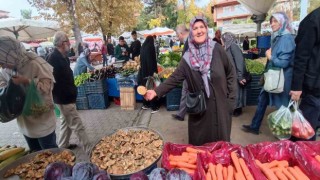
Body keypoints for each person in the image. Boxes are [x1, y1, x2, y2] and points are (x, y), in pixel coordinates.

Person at [144, 16, 237, 146]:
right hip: (200, 109)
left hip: (221, 108)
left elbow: (231, 73)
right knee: (201, 148)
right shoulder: (187, 58)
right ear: (191, 32)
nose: (199, 31)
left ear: (206, 29)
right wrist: (156, 92)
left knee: (221, 147)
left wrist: (231, 101)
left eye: (201, 27)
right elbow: (175, 78)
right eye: (195, 28)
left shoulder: (217, 49)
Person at [0, 36, 58, 152]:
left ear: (11, 55)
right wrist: (5, 87)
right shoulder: (6, 69)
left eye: (2, 62)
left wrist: (26, 81)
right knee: (36, 156)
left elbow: (48, 86)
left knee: (51, 153)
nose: (2, 65)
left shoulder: (34, 64)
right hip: (24, 123)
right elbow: (2, 82)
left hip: (42, 120)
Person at [242, 12, 295, 135]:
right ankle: (255, 126)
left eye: (275, 21)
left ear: (283, 22)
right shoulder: (277, 37)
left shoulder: (286, 38)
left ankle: (285, 134)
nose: (272, 24)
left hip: (282, 78)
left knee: (282, 105)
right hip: (272, 76)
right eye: (271, 21)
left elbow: (283, 63)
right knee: (262, 99)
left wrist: (270, 57)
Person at [47, 31, 91, 154]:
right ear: (62, 43)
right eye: (68, 41)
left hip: (66, 97)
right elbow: (50, 80)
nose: (70, 43)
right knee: (77, 125)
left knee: (65, 123)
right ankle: (90, 149)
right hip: (63, 98)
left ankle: (62, 146)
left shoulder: (63, 56)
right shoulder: (53, 58)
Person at [290, 7, 320, 141]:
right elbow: (301, 56)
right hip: (313, 87)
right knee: (304, 132)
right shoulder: (313, 20)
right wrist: (297, 87)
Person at [222, 32, 247, 117]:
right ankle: (234, 108)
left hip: (236, 74)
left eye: (223, 38)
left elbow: (239, 62)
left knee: (238, 92)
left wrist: (240, 76)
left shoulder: (233, 46)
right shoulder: (227, 47)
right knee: (233, 91)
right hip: (231, 74)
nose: (222, 40)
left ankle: (238, 109)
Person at [171, 24, 190, 121]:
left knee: (188, 92)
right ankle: (181, 114)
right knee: (185, 91)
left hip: (192, 74)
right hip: (188, 73)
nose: (178, 38)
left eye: (178, 35)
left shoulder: (190, 41)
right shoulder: (189, 40)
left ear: (181, 33)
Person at [137, 36, 160, 113]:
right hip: (150, 72)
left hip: (143, 72)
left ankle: (145, 104)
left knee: (145, 88)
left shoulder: (143, 47)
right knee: (151, 89)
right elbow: (151, 61)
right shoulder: (150, 47)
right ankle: (154, 107)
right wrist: (153, 73)